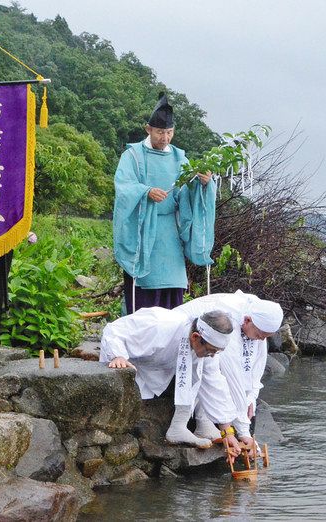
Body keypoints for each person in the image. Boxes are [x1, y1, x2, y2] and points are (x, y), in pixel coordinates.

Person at [112, 93, 216, 314]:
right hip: (142, 233)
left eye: (169, 133)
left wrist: (204, 185)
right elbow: (124, 187)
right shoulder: (133, 156)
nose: (165, 138)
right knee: (143, 295)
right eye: (160, 132)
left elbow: (188, 194)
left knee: (173, 293)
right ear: (148, 129)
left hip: (170, 235)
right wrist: (146, 192)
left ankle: (168, 344)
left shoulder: (180, 159)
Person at [100, 307, 242, 454]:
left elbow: (215, 384)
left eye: (216, 352)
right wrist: (118, 355)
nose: (212, 355)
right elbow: (114, 330)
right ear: (195, 337)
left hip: (158, 368)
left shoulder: (205, 348)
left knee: (201, 372)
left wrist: (228, 433)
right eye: (211, 351)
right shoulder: (160, 325)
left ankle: (180, 426)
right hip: (128, 359)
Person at [175, 291, 283, 446]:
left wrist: (251, 397)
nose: (262, 340)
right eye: (260, 335)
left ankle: (208, 423)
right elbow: (232, 376)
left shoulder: (258, 315)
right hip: (187, 343)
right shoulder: (228, 319)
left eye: (266, 337)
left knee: (213, 366)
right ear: (247, 320)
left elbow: (256, 365)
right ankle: (201, 421)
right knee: (213, 367)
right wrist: (244, 431)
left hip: (207, 347)